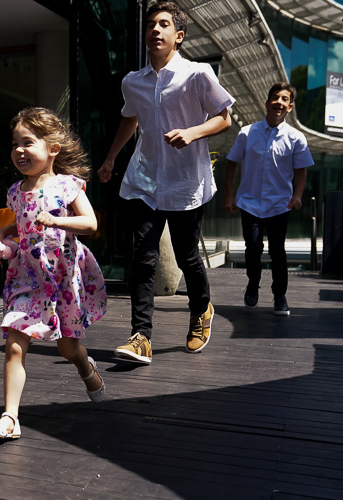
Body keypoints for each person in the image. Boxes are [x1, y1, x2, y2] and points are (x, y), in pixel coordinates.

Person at [97, 1, 235, 365]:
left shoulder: (197, 74)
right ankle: (141, 336)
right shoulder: (133, 81)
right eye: (150, 25)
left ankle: (201, 310)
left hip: (187, 183)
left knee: (188, 256)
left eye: (163, 24)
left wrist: (192, 132)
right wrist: (111, 158)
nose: (155, 30)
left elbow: (224, 118)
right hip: (145, 181)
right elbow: (130, 119)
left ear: (179, 36)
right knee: (143, 258)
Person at [0, 107, 107, 441]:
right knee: (15, 343)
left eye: (28, 142)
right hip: (27, 276)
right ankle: (10, 418)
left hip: (62, 277)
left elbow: (90, 223)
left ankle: (86, 368)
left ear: (52, 149)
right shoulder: (15, 191)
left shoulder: (67, 186)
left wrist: (56, 220)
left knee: (68, 349)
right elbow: (21, 224)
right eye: (14, 144)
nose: (19, 150)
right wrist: (0, 234)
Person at [223, 83, 312, 316]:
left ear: (290, 107)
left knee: (277, 251)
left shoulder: (296, 137)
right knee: (253, 248)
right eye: (275, 98)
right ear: (267, 103)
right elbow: (231, 163)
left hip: (279, 204)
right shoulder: (247, 133)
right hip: (249, 202)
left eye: (284, 99)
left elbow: (301, 170)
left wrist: (298, 195)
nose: (279, 102)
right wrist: (229, 195)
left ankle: (279, 295)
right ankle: (253, 284)